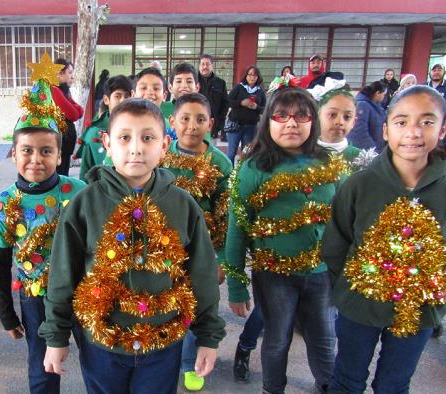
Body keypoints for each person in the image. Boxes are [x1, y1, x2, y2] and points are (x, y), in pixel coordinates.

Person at [40, 98, 225, 393]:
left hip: (162, 343)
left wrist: (208, 337)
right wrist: (56, 337)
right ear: (107, 143)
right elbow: (63, 275)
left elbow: (201, 273)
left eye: (147, 138)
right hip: (102, 343)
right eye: (125, 137)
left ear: (164, 145)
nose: (136, 148)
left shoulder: (182, 205)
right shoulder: (85, 203)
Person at [321, 85, 446, 393]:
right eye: (402, 122)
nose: (414, 132)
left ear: (442, 129)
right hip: (359, 303)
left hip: (418, 309)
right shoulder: (360, 185)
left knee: (394, 383)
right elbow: (336, 243)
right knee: (347, 380)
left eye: (426, 122)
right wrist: (349, 290)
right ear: (386, 130)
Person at [225, 87, 341, 394]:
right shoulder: (254, 167)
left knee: (325, 340)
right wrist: (236, 285)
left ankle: (327, 386)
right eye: (282, 115)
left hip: (320, 274)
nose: (291, 123)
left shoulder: (327, 163)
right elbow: (238, 228)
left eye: (301, 116)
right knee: (277, 341)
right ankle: (271, 389)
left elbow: (341, 222)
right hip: (273, 274)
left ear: (312, 122)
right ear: (268, 121)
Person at [0, 59, 86, 393]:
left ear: (60, 155)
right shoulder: (3, 204)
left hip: (85, 293)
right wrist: (6, 314)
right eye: (27, 150)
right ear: (13, 154)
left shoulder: (78, 192)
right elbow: (0, 263)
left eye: (46, 151)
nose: (36, 159)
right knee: (42, 364)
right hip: (35, 297)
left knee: (97, 358)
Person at [161, 93, 231, 392]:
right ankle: (163, 356)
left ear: (211, 124)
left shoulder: (220, 164)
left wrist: (222, 259)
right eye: (185, 119)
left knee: (193, 305)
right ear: (172, 122)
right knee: (164, 302)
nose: (192, 126)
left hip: (203, 253)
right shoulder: (161, 157)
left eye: (200, 119)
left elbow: (228, 216)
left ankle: (189, 362)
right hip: (163, 250)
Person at [78, 75, 132, 181]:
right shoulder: (94, 133)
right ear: (106, 99)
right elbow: (86, 172)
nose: (123, 100)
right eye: (118, 96)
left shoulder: (140, 128)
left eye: (127, 96)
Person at [226, 65, 266, 163]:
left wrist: (256, 107)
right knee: (231, 152)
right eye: (250, 74)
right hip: (235, 125)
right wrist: (241, 102)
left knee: (246, 153)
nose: (252, 77)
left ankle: (241, 174)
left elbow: (264, 109)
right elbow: (228, 101)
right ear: (246, 76)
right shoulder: (239, 87)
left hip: (250, 127)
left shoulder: (260, 91)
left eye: (255, 75)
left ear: (258, 77)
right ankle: (228, 174)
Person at [52, 57, 84, 176]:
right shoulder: (54, 90)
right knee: (59, 176)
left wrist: (76, 109)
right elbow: (74, 114)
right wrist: (76, 109)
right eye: (70, 73)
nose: (72, 76)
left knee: (63, 175)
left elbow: (80, 110)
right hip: (58, 143)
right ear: (60, 73)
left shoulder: (64, 91)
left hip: (64, 144)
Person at [347, 81, 387, 151]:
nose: (384, 97)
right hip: (364, 151)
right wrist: (373, 149)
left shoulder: (376, 105)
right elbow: (360, 131)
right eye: (384, 94)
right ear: (377, 93)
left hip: (375, 147)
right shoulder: (362, 105)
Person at [198, 54, 228, 140]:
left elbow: (225, 104)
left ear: (212, 66)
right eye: (202, 64)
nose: (205, 67)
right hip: (194, 124)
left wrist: (219, 123)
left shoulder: (220, 83)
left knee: (210, 152)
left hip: (212, 126)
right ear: (199, 66)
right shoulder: (193, 81)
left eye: (208, 64)